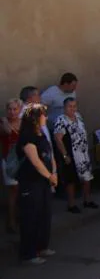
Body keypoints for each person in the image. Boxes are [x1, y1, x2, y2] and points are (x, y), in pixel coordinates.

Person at [16, 104, 58, 264]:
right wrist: (49, 175)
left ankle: (42, 247)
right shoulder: (27, 137)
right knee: (30, 216)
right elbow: (36, 162)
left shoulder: (41, 134)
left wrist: (53, 173)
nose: (46, 118)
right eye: (43, 115)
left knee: (44, 214)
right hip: (30, 182)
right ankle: (28, 253)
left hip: (44, 182)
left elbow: (50, 155)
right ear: (35, 118)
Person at [53, 98, 98, 213]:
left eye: (74, 106)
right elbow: (58, 139)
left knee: (87, 177)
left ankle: (87, 200)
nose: (72, 108)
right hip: (71, 154)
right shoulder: (61, 120)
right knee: (71, 179)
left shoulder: (78, 116)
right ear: (64, 107)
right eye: (69, 106)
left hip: (83, 153)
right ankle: (71, 204)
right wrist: (64, 155)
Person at [1, 98, 22, 233]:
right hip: (9, 161)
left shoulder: (23, 123)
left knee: (23, 190)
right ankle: (11, 221)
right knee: (13, 191)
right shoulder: (3, 123)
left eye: (15, 109)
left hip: (23, 160)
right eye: (10, 109)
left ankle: (20, 218)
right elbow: (9, 133)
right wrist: (5, 121)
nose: (12, 112)